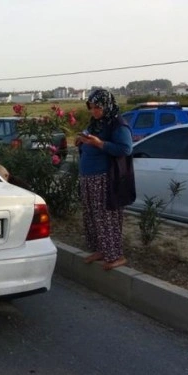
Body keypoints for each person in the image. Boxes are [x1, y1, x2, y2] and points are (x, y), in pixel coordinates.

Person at [76, 89, 133, 271]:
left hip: (104, 179)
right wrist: (81, 141)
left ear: (107, 106)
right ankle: (102, 250)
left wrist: (98, 144)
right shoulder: (96, 123)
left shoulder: (117, 124)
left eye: (97, 107)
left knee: (105, 217)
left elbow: (125, 149)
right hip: (89, 177)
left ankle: (116, 255)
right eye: (91, 107)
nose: (94, 111)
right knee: (92, 216)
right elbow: (88, 137)